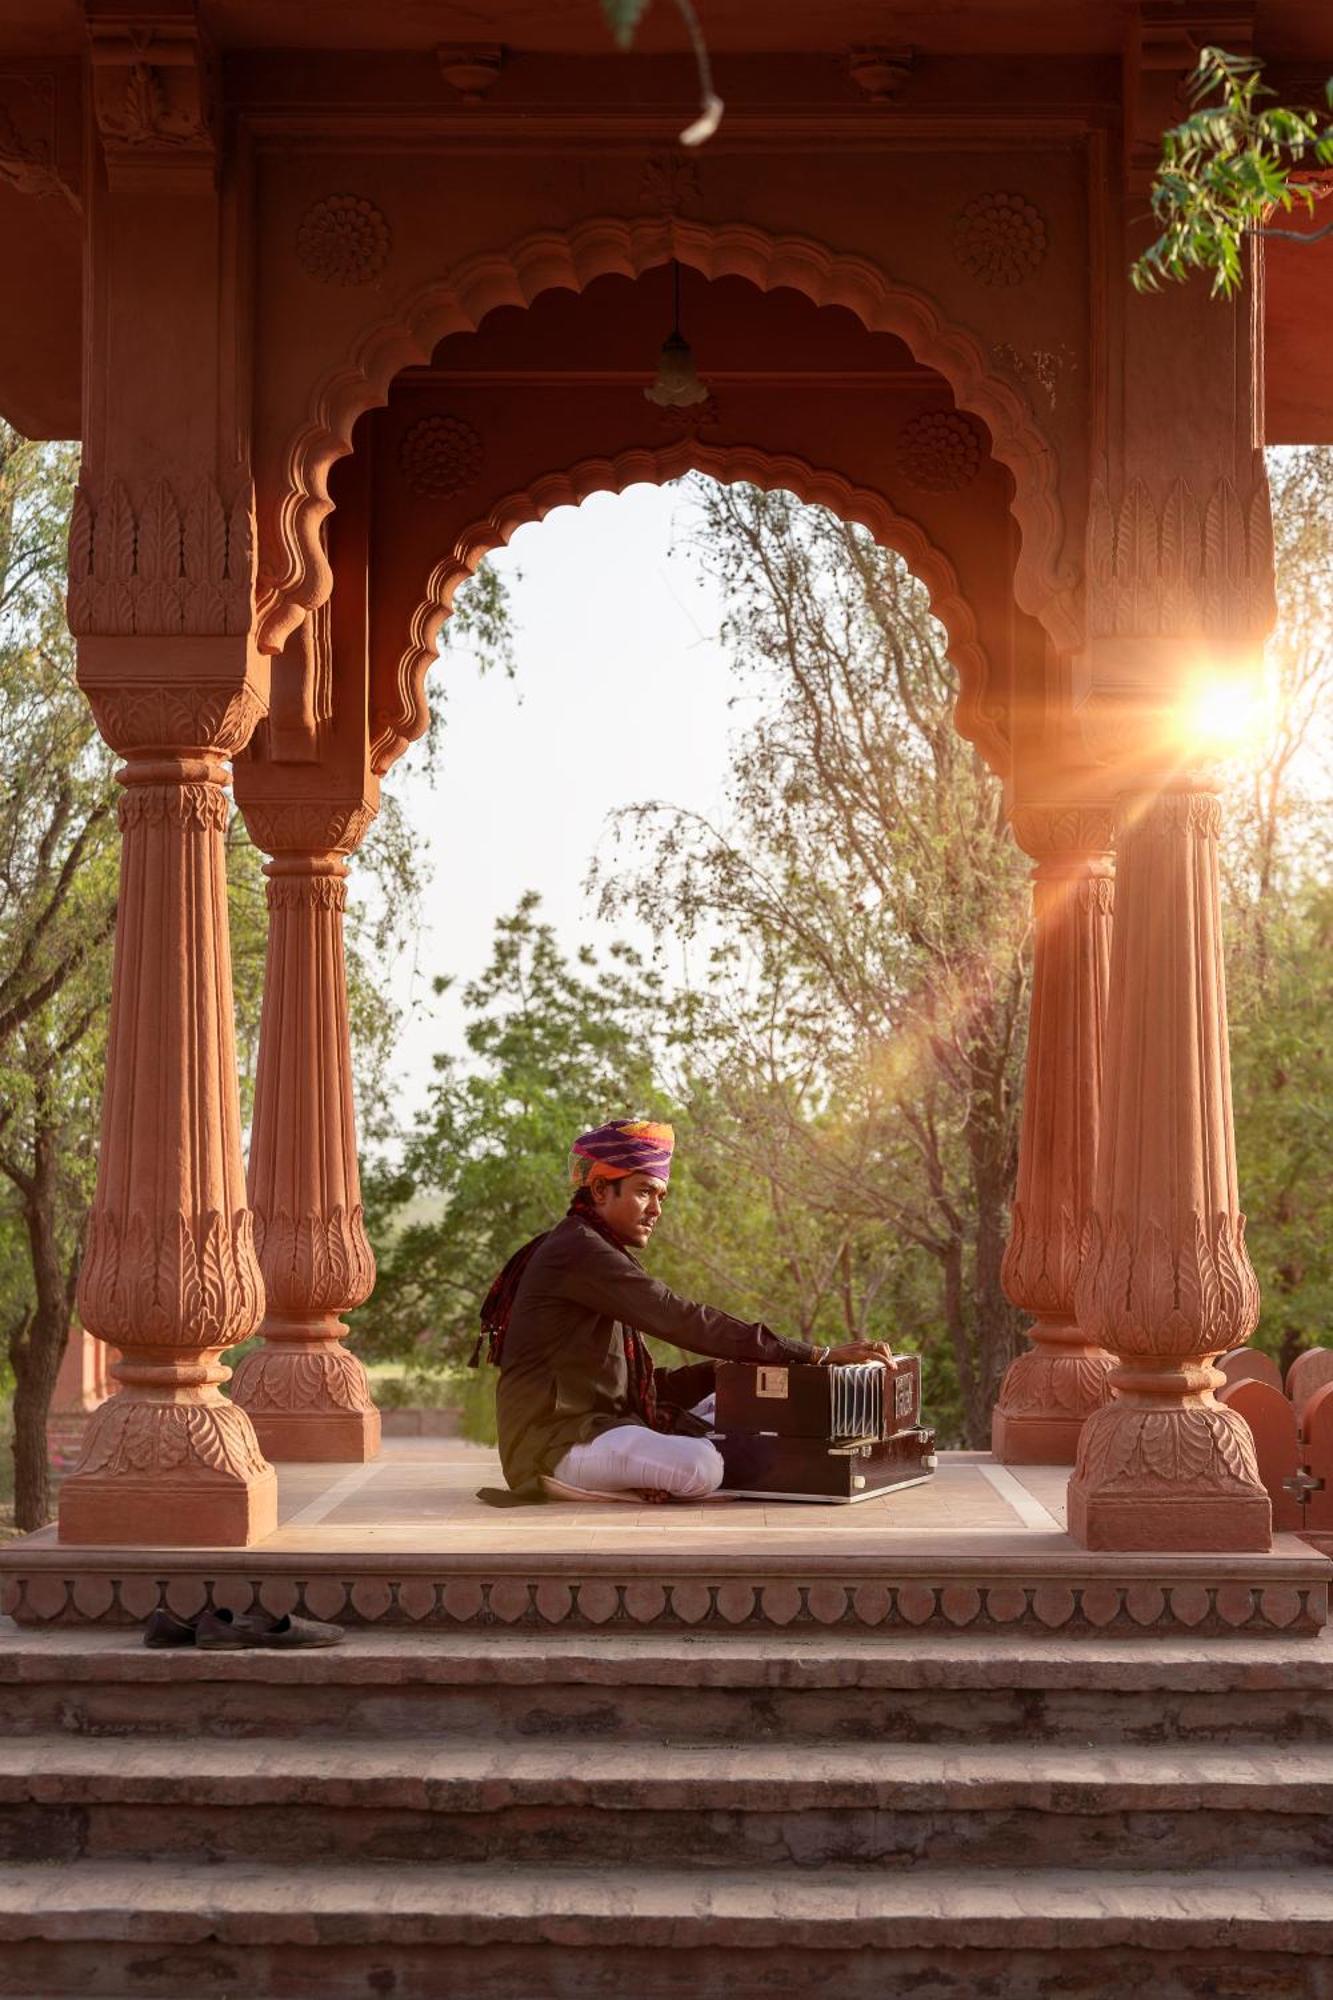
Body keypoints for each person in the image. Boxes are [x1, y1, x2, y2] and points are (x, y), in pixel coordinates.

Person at [476, 1118, 893, 1503]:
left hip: (601, 1429)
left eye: (660, 1196)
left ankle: (643, 1477)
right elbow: (678, 1316)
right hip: (554, 1447)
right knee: (702, 1465)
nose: (656, 1210)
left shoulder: (593, 1248)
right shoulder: (578, 1251)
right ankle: (611, 1484)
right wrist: (812, 1354)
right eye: (643, 1192)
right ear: (601, 1190)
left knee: (731, 1396)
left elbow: (623, 1386)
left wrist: (720, 1373)